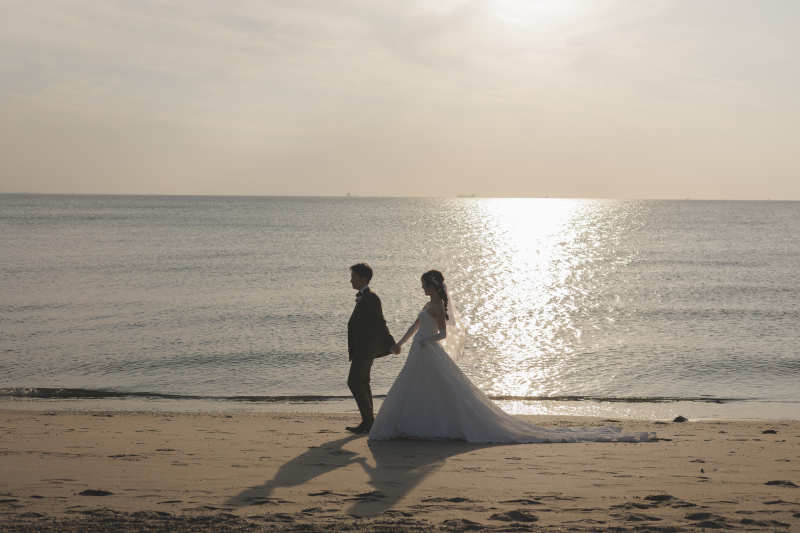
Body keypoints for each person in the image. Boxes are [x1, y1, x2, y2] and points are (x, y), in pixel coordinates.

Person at [369, 270, 653, 443]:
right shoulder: (426, 304)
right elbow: (415, 325)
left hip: (428, 351)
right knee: (419, 391)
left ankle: (434, 426)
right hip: (419, 351)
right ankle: (416, 426)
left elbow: (442, 334)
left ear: (431, 285)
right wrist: (401, 343)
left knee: (443, 391)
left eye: (423, 284)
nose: (421, 288)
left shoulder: (439, 308)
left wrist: (425, 341)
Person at [346, 263, 397, 433]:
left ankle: (368, 419)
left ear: (363, 279)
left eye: (354, 277)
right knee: (363, 381)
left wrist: (390, 343)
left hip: (366, 349)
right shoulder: (364, 297)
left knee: (353, 381)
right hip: (361, 348)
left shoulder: (371, 297)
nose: (351, 280)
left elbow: (380, 322)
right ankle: (369, 420)